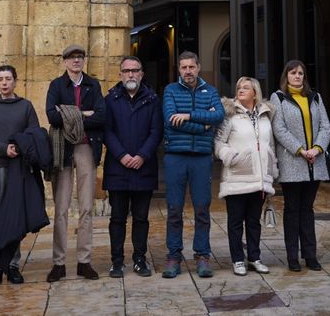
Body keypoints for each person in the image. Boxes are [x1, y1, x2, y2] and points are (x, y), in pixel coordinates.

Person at [44, 43, 106, 281]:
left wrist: (69, 114)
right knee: (61, 209)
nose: (76, 61)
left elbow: (101, 116)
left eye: (80, 57)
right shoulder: (57, 85)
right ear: (64, 62)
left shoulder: (93, 85)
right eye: (71, 57)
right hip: (63, 151)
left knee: (87, 208)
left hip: (86, 148)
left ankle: (84, 261)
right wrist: (83, 113)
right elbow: (51, 115)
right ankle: (58, 263)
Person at [159, 50, 223, 279]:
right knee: (174, 209)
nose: (188, 71)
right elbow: (170, 119)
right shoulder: (170, 90)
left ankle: (202, 255)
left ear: (198, 67)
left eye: (191, 67)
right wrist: (203, 124)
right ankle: (174, 256)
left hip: (202, 158)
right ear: (179, 69)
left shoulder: (211, 91)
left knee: (202, 209)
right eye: (183, 67)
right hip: (176, 156)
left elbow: (220, 115)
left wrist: (186, 116)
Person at [102, 55, 162, 277]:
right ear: (120, 75)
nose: (131, 74)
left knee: (141, 218)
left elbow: (157, 131)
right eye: (126, 71)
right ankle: (117, 261)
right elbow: (106, 131)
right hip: (118, 168)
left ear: (142, 74)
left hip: (143, 168)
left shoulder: (153, 99)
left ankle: (139, 259)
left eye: (135, 70)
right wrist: (122, 155)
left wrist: (142, 155)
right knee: (117, 218)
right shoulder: (109, 99)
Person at [0, 63, 39, 285]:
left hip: (18, 169)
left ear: (15, 81)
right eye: (1, 79)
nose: (4, 83)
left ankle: (13, 264)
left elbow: (33, 133)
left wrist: (19, 148)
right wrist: (5, 148)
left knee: (14, 218)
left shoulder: (26, 106)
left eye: (8, 78)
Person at [271, 59, 330, 272]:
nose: (297, 76)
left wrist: (316, 148)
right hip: (292, 162)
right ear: (285, 76)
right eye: (293, 73)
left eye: (301, 73)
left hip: (315, 162)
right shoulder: (277, 98)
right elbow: (279, 129)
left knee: (307, 209)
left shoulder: (315, 97)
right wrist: (300, 150)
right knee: (292, 209)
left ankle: (310, 254)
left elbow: (325, 126)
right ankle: (292, 257)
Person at [216, 76, 277, 276]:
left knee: (253, 221)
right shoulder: (229, 116)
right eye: (239, 87)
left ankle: (254, 257)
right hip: (237, 177)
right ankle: (237, 260)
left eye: (246, 88)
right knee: (235, 221)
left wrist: (272, 168)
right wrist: (230, 157)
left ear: (255, 93)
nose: (241, 90)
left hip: (259, 179)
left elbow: (270, 145)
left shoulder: (265, 115)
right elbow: (218, 143)